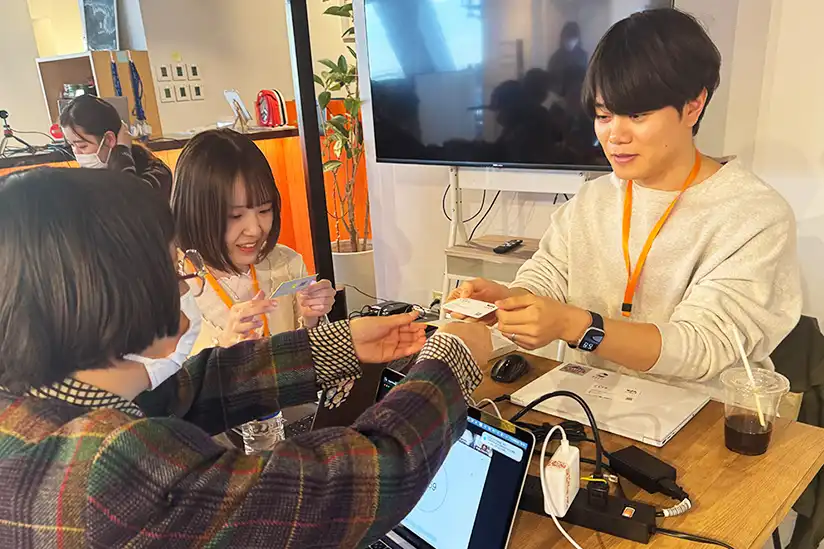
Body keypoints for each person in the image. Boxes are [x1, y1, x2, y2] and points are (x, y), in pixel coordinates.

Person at [0, 167, 493, 548]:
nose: (185, 283)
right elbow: (343, 490)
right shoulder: (110, 464)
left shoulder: (36, 409)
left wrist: (339, 344)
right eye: (173, 266)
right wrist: (450, 361)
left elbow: (187, 391)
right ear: (117, 290)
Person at [449, 8, 801, 397]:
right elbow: (549, 274)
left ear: (693, 105)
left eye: (636, 115)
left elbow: (704, 346)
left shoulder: (753, 214)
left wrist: (576, 326)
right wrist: (511, 299)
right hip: (595, 400)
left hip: (706, 413)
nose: (615, 135)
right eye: (604, 115)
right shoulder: (593, 198)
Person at [171, 128, 337, 452]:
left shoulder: (285, 263)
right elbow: (172, 402)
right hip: (219, 449)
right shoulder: (174, 286)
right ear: (195, 214)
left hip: (290, 430)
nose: (255, 229)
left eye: (264, 210)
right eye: (235, 216)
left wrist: (313, 320)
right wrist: (223, 352)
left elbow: (317, 373)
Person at [60, 94, 173, 200]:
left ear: (109, 140)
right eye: (72, 145)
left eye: (82, 146)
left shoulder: (157, 172)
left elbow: (127, 200)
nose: (76, 153)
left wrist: (121, 152)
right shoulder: (85, 181)